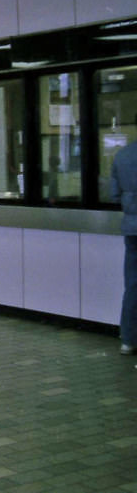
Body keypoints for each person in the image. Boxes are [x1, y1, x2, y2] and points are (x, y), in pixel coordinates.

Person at [110, 134, 137, 355]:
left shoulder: (123, 155)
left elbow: (114, 194)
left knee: (133, 285)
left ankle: (128, 339)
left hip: (132, 228)